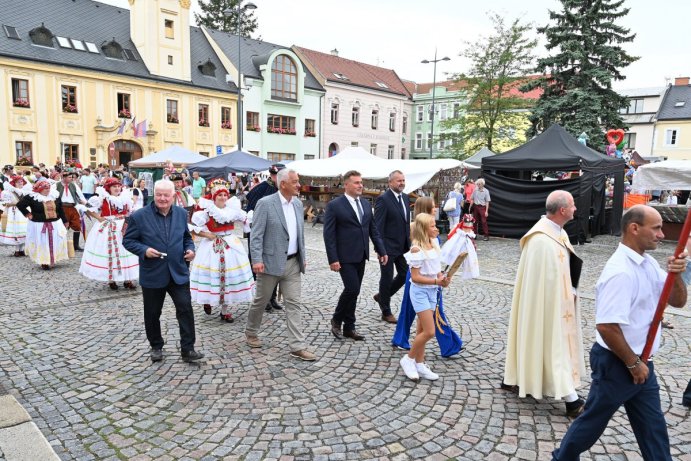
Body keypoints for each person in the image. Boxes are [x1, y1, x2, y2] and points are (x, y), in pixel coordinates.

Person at [552, 204, 687, 460]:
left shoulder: (646, 263)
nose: (661, 234)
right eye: (656, 228)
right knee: (591, 423)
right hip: (619, 363)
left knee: (653, 428)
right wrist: (633, 364)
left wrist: (676, 274)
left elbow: (678, 301)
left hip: (641, 361)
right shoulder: (620, 272)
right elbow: (606, 326)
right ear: (634, 228)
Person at [502, 190, 586, 416]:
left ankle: (521, 378)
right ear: (562, 210)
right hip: (548, 304)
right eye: (573, 205)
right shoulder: (540, 240)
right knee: (552, 343)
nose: (575, 209)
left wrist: (572, 290)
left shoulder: (558, 233)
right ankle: (572, 401)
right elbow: (541, 281)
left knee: (546, 341)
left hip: (560, 302)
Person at [122, 179, 204, 364]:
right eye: (159, 194)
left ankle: (188, 349)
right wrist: (144, 251)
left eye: (166, 195)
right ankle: (156, 346)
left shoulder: (182, 214)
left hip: (178, 270)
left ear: (173, 196)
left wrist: (190, 250)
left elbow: (185, 237)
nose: (162, 198)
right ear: (154, 194)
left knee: (185, 309)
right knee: (152, 313)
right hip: (153, 272)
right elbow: (128, 241)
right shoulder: (139, 216)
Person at [244, 169, 315, 361]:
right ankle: (251, 331)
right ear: (283, 184)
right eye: (295, 181)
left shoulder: (298, 204)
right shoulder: (265, 204)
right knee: (260, 300)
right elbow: (256, 235)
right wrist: (256, 260)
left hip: (292, 263)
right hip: (269, 264)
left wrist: (302, 256)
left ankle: (297, 346)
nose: (299, 185)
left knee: (294, 303)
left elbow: (299, 233)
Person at [392, 197, 467, 358]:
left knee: (433, 312)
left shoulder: (432, 229)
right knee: (410, 310)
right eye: (432, 207)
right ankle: (404, 343)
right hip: (418, 275)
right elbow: (412, 251)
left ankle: (436, 349)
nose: (435, 209)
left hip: (432, 275)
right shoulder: (417, 228)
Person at [324, 170, 387, 341]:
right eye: (357, 183)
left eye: (361, 182)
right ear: (346, 185)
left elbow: (373, 229)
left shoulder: (366, 204)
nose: (361, 185)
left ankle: (349, 327)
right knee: (352, 288)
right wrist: (333, 258)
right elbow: (328, 234)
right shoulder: (335, 205)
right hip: (344, 256)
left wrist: (381, 250)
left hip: (361, 255)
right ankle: (337, 319)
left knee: (354, 291)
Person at [189, 180, 254, 323]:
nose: (223, 197)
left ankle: (224, 311)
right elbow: (193, 228)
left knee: (229, 277)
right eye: (220, 195)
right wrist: (207, 235)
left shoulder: (233, 209)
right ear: (214, 197)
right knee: (213, 275)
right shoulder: (207, 211)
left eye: (225, 194)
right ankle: (207, 300)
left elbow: (246, 219)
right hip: (212, 246)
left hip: (231, 244)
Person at [398, 213, 451, 381]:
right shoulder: (416, 249)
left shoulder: (433, 243)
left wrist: (442, 277)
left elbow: (436, 268)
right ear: (423, 229)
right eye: (433, 226)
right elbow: (415, 277)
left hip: (432, 291)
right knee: (429, 331)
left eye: (435, 225)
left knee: (421, 330)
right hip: (420, 292)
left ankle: (420, 364)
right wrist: (436, 280)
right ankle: (408, 359)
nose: (436, 228)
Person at [79, 177, 139, 290]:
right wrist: (100, 218)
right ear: (109, 188)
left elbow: (131, 212)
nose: (117, 188)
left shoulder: (126, 197)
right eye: (114, 186)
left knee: (127, 251)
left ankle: (128, 279)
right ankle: (112, 279)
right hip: (109, 228)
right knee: (111, 253)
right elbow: (86, 208)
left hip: (125, 227)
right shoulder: (102, 198)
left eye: (118, 186)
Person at [245, 165, 284, 313]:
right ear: (272, 175)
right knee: (262, 268)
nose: (278, 178)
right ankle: (264, 299)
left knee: (276, 266)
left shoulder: (282, 190)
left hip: (276, 234)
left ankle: (272, 298)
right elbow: (251, 211)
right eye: (276, 176)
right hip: (260, 233)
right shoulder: (261, 189)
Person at [373, 170, 411, 324]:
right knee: (387, 278)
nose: (401, 183)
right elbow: (377, 227)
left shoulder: (406, 197)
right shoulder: (383, 199)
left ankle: (382, 297)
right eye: (398, 181)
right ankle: (386, 311)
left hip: (402, 247)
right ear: (390, 183)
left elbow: (405, 222)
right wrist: (379, 249)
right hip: (387, 248)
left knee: (405, 275)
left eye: (403, 180)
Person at [16, 180, 69, 270]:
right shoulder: (32, 196)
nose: (47, 190)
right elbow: (20, 205)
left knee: (55, 242)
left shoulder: (54, 195)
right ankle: (44, 261)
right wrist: (28, 214)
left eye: (48, 188)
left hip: (55, 223)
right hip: (39, 225)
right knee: (43, 243)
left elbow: (60, 209)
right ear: (39, 189)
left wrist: (65, 221)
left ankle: (52, 259)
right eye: (45, 189)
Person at [56, 171, 87, 253]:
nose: (71, 179)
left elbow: (80, 195)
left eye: (72, 177)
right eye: (69, 177)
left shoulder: (74, 185)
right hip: (61, 207)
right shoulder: (56, 185)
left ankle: (76, 246)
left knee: (77, 225)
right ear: (64, 177)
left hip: (73, 207)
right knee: (63, 227)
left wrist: (87, 204)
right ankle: (61, 246)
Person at [0, 175, 30, 256]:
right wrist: (16, 204)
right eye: (18, 182)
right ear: (14, 183)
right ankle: (17, 250)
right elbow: (5, 203)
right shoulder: (9, 192)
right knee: (15, 230)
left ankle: (22, 249)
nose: (21, 183)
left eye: (21, 181)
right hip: (14, 212)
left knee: (24, 230)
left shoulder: (25, 191)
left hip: (23, 212)